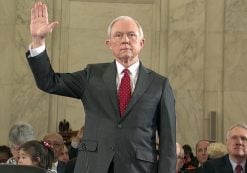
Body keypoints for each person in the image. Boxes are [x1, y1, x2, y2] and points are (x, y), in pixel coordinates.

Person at [26, 1, 176, 173]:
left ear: (141, 42)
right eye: (118, 35)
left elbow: (168, 142)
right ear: (109, 43)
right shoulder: (92, 75)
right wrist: (38, 41)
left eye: (131, 35)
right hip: (93, 165)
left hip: (139, 168)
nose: (125, 40)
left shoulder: (159, 84)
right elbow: (49, 82)